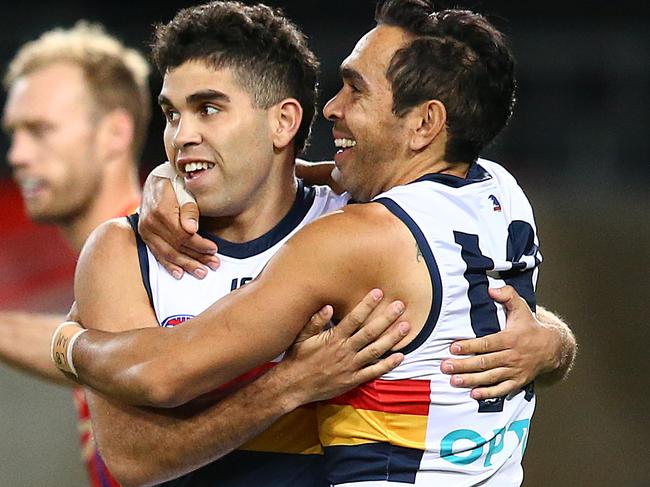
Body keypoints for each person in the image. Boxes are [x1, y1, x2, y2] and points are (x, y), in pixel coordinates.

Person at [54, 0, 576, 485]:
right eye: (171, 114)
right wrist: (287, 386)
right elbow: (130, 460)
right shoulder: (496, 189)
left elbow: (161, 375)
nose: (332, 107)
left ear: (283, 120)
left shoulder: (349, 229)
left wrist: (66, 344)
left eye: (209, 109)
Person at [1, 22, 150, 487]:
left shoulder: (165, 252)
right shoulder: (107, 263)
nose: (18, 155)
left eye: (40, 130)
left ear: (114, 134)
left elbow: (132, 357)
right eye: (14, 134)